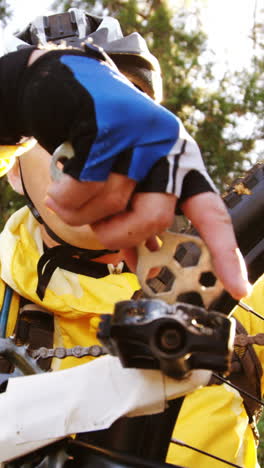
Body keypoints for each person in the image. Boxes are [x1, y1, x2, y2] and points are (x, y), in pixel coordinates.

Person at [0, 8, 257, 468]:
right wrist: (17, 85)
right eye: (53, 128)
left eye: (125, 106)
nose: (96, 142)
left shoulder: (243, 290)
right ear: (13, 170)